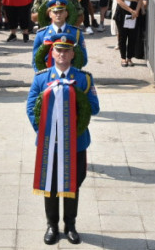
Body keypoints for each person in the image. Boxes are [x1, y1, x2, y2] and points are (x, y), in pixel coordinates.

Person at [26, 33, 99, 245]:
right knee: (49, 183)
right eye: (58, 50)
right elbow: (31, 108)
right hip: (49, 144)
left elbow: (94, 107)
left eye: (67, 50)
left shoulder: (84, 79)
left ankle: (70, 225)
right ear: (52, 52)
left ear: (72, 53)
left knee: (73, 183)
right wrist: (44, 130)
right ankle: (52, 225)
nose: (62, 54)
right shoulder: (41, 78)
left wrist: (77, 96)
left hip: (75, 142)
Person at [113, 0, 141, 67]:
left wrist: (136, 11)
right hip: (122, 12)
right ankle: (123, 57)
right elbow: (119, 0)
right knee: (122, 36)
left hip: (134, 12)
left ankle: (130, 57)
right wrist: (130, 10)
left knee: (132, 36)